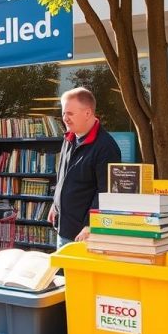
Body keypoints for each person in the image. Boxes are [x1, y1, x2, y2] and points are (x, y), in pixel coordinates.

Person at [47, 87, 121, 249]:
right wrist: (55, 204)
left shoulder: (106, 147)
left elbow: (106, 191)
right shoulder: (70, 137)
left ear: (87, 113)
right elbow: (63, 176)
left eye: (70, 113)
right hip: (63, 227)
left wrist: (91, 225)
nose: (65, 118)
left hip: (83, 234)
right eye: (64, 113)